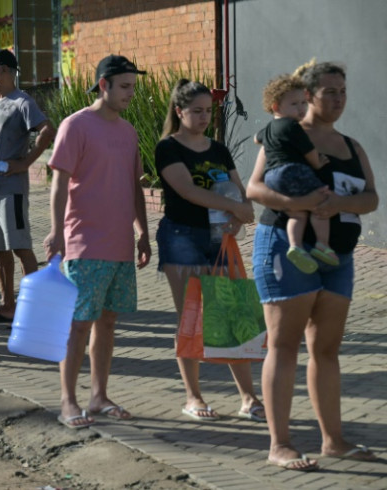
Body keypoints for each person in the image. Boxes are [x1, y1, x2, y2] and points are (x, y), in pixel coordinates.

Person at [247, 61, 379, 471]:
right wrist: (294, 205)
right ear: (308, 94)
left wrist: (339, 204)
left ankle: (333, 441)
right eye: (329, 92)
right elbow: (254, 188)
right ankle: (280, 443)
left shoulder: (352, 145)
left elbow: (371, 199)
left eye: (343, 91)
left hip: (337, 256)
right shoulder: (286, 133)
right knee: (285, 345)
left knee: (326, 348)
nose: (338, 99)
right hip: (287, 249)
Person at [44, 55, 151, 429]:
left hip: (120, 244)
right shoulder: (76, 126)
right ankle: (68, 401)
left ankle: (98, 397)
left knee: (107, 322)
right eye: (124, 87)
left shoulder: (129, 131)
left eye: (133, 88)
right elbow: (59, 182)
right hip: (84, 244)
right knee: (78, 324)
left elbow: (134, 186)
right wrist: (56, 231)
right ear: (103, 84)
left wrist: (143, 232)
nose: (130, 94)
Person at [154, 79, 264, 423]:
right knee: (191, 318)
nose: (204, 117)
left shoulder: (219, 149)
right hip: (182, 237)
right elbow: (187, 190)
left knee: (230, 315)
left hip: (220, 240)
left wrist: (239, 215)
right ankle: (193, 397)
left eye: (207, 110)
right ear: (179, 111)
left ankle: (249, 398)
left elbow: (238, 190)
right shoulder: (168, 148)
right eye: (196, 111)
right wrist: (236, 209)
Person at [0, 49, 56, 324]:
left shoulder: (22, 102)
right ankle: (7, 305)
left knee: (21, 247)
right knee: (0, 251)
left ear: (7, 71)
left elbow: (47, 130)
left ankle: (36, 308)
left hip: (12, 189)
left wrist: (26, 163)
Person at [255, 74, 337, 274]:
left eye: (303, 102)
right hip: (291, 171)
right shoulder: (292, 126)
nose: (301, 108)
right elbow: (309, 152)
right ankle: (322, 244)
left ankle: (295, 246)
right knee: (320, 201)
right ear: (276, 106)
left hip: (272, 176)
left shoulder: (268, 129)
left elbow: (257, 140)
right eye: (294, 104)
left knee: (297, 213)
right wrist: (319, 162)